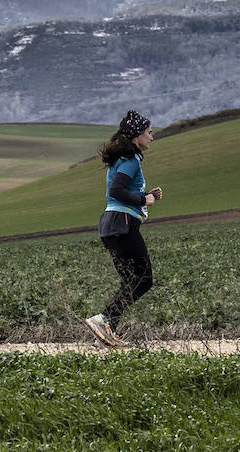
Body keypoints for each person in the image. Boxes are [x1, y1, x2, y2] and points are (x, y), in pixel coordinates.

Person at [84, 110, 163, 348]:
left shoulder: (123, 158)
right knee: (144, 279)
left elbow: (120, 191)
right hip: (123, 223)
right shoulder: (130, 160)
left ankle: (105, 334)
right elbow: (116, 191)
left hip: (111, 225)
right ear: (136, 135)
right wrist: (143, 200)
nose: (152, 137)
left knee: (130, 280)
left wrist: (147, 195)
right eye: (149, 133)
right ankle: (103, 320)